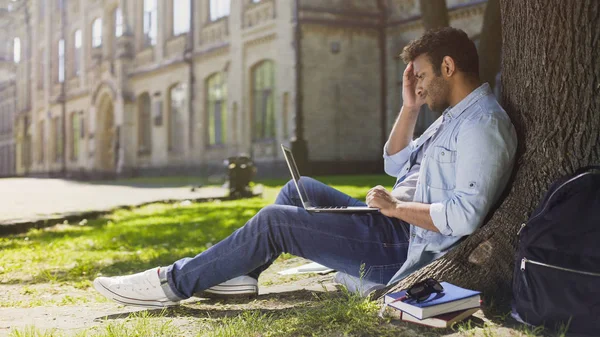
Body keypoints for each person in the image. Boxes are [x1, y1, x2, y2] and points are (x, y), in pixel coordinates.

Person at [93, 27, 517, 308]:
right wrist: (409, 107)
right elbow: (393, 163)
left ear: (448, 67)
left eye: (422, 76)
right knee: (301, 190)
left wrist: (393, 209)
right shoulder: (453, 115)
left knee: (274, 221)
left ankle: (172, 282)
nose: (419, 85)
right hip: (388, 220)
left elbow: (464, 215)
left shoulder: (482, 125)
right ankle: (241, 275)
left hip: (399, 242)